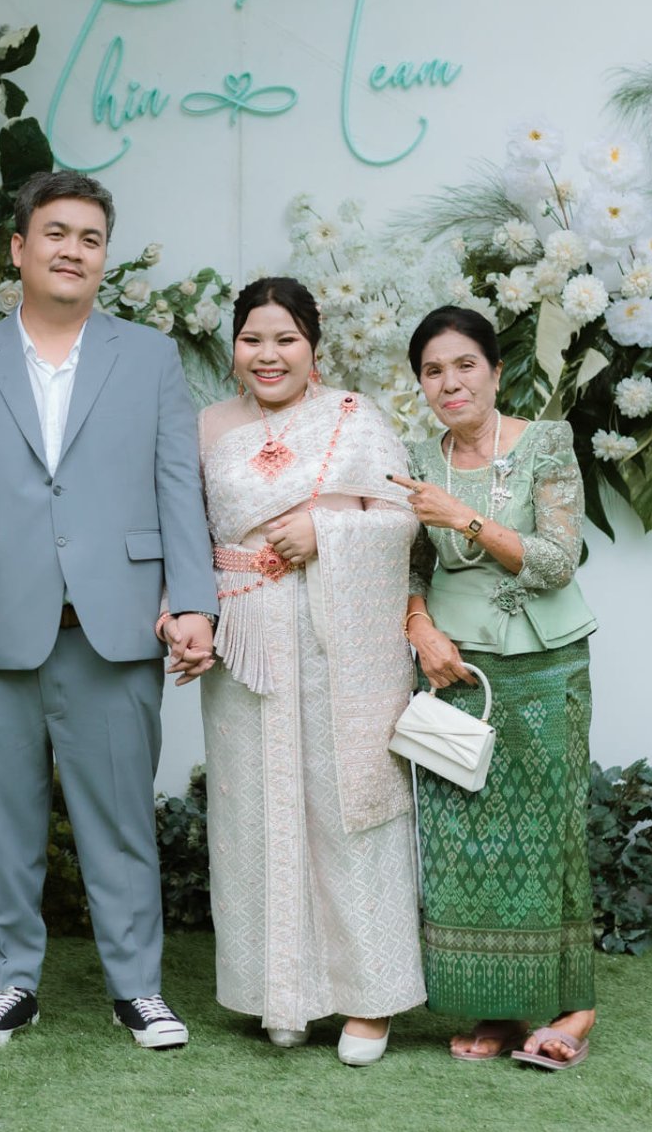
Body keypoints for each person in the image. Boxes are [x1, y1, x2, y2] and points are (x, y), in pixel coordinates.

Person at [0, 170, 219, 1051]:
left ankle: (137, 988)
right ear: (18, 248)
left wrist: (196, 602)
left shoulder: (149, 357)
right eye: (55, 233)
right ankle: (10, 983)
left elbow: (178, 488)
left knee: (120, 820)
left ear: (104, 256)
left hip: (115, 624)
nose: (72, 250)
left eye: (89, 238)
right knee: (3, 820)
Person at [197, 278, 425, 1067]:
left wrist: (324, 528)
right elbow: (183, 527)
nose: (269, 355)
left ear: (313, 347)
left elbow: (402, 516)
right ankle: (281, 992)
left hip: (339, 642)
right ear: (233, 346)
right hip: (246, 640)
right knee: (253, 811)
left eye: (285, 339)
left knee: (344, 805)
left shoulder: (354, 418)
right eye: (252, 339)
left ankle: (370, 998)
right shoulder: (208, 425)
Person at [390, 305, 601, 1070]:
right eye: (433, 371)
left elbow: (557, 559)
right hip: (454, 668)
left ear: (496, 371)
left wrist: (464, 517)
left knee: (549, 831)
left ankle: (573, 1003)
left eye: (464, 365)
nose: (450, 383)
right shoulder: (418, 457)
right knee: (468, 841)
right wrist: (418, 623)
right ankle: (501, 1006)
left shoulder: (546, 442)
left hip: (543, 665)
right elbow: (410, 561)